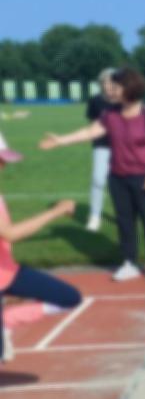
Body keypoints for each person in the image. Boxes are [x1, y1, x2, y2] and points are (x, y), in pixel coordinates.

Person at [40, 67, 145, 282]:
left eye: (115, 86)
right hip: (118, 177)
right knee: (124, 221)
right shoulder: (110, 115)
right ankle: (129, 262)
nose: (110, 90)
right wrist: (60, 140)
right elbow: (90, 132)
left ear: (129, 88)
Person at [0, 131, 82, 362]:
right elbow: (10, 233)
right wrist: (55, 211)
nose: (4, 165)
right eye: (0, 160)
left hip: (8, 272)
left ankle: (7, 320)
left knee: (68, 297)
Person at [86, 68, 119, 232]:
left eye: (111, 81)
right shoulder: (95, 101)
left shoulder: (122, 100)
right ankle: (95, 215)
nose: (107, 85)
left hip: (121, 146)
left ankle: (123, 215)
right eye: (104, 82)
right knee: (98, 179)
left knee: (119, 183)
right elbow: (92, 124)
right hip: (101, 145)